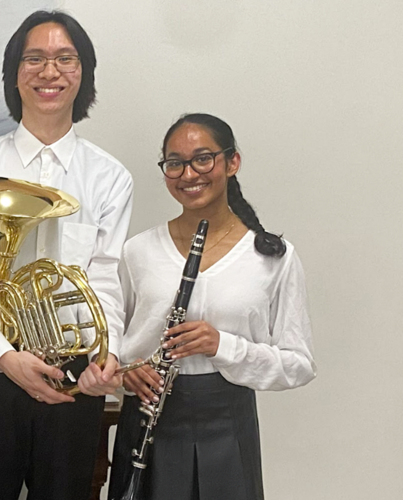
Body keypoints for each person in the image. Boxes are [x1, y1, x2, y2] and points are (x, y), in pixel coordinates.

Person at [0, 10, 133, 499]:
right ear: (14, 74)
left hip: (74, 376)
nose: (50, 72)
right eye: (35, 59)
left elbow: (105, 278)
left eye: (65, 59)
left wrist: (106, 355)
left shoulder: (110, 178)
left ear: (82, 73)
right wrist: (5, 357)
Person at [109, 113, 317, 500]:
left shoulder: (274, 256)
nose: (189, 174)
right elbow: (106, 341)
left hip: (228, 424)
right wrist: (124, 372)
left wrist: (223, 345)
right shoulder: (137, 251)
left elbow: (299, 364)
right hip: (146, 419)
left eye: (202, 158)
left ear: (232, 162)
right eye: (175, 163)